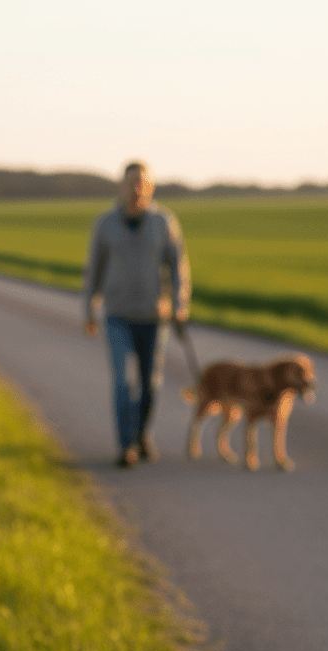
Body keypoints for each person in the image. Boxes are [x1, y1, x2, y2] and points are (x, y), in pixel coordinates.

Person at [84, 162, 191, 467]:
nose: (136, 189)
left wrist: (180, 306)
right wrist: (89, 308)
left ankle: (142, 433)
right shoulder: (105, 224)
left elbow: (178, 267)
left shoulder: (164, 222)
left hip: (154, 316)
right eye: (131, 183)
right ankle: (125, 445)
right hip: (117, 314)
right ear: (121, 186)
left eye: (142, 183)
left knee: (150, 384)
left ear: (151, 187)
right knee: (122, 381)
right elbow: (95, 268)